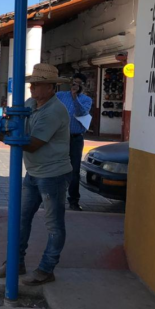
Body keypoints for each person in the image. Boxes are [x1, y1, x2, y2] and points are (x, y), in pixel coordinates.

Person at [0, 63, 72, 286]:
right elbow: (15, 123)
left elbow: (33, 144)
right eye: (32, 84)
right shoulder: (32, 104)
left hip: (53, 175)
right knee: (21, 220)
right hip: (33, 172)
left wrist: (1, 137)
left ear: (51, 87)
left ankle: (46, 269)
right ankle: (15, 263)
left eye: (37, 84)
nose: (32, 88)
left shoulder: (54, 111)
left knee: (53, 225)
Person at [56, 73, 93, 211]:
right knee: (57, 167)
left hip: (76, 138)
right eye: (74, 83)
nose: (75, 86)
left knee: (74, 170)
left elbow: (82, 113)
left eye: (79, 83)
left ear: (83, 85)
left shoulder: (86, 99)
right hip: (60, 137)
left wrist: (75, 98)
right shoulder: (60, 96)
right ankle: (55, 197)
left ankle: (74, 200)